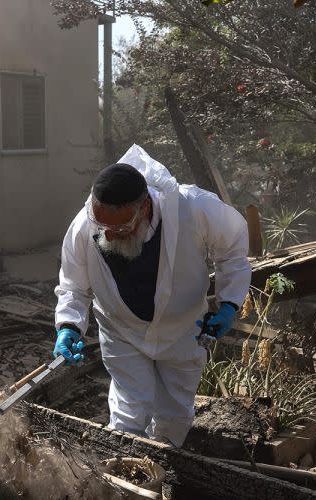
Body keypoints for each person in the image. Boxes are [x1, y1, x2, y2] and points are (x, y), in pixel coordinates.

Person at [53, 144, 251, 446]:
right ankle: (127, 479)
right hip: (122, 332)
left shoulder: (193, 208)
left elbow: (233, 253)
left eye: (118, 228)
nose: (107, 234)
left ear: (144, 208)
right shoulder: (84, 226)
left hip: (184, 329)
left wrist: (229, 304)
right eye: (101, 225)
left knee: (174, 418)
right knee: (129, 416)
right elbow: (73, 286)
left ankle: (163, 475)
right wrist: (68, 326)